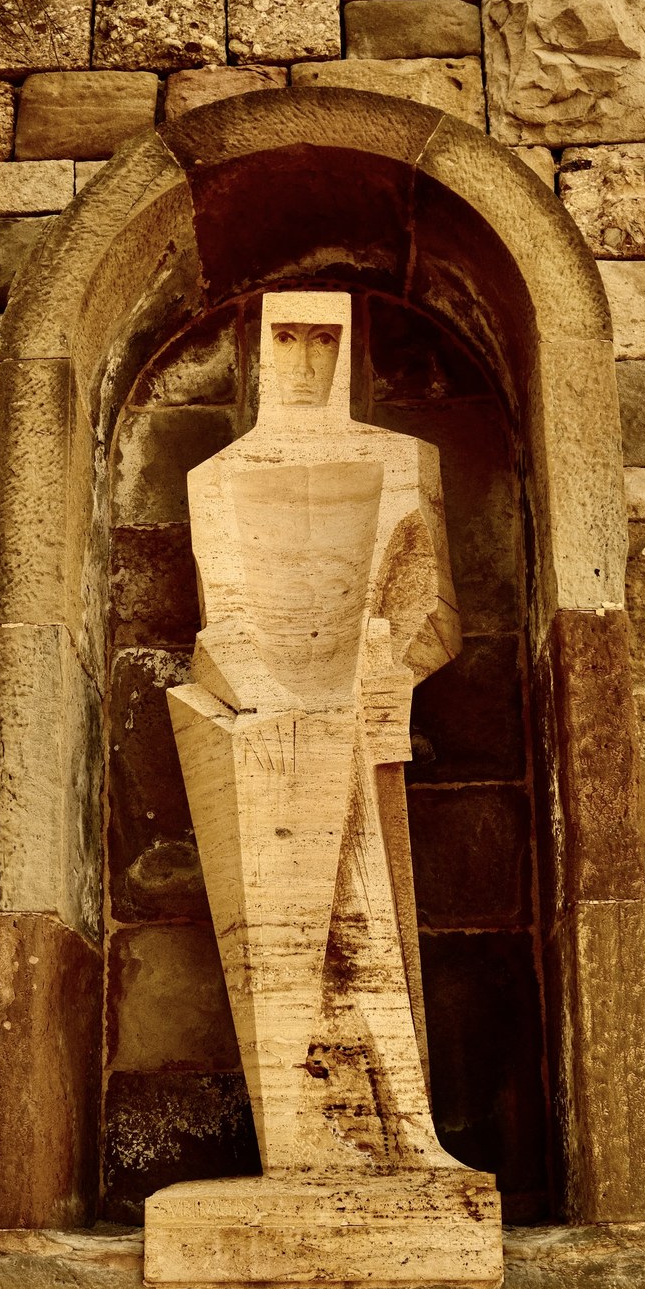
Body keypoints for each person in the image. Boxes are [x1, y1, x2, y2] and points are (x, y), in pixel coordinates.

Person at [167, 290, 465, 1179]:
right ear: (262, 348)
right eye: (286, 337)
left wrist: (386, 656)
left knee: (371, 929)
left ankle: (406, 1139)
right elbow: (218, 625)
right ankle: (299, 1147)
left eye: (321, 338)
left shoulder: (404, 461)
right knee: (287, 938)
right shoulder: (216, 478)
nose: (304, 357)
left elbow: (438, 614)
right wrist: (260, 693)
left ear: (348, 350)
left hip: (360, 724)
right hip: (264, 738)